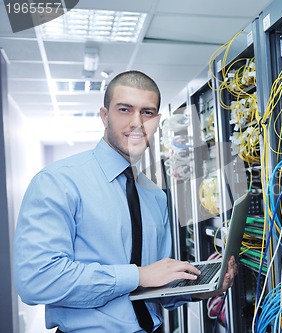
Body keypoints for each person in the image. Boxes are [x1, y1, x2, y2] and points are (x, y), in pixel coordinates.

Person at [13, 70, 237, 332]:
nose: (136, 122)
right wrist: (138, 274)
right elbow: (36, 280)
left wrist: (201, 289)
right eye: (124, 109)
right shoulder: (58, 182)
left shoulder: (154, 195)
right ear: (104, 115)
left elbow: (154, 284)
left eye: (147, 112)